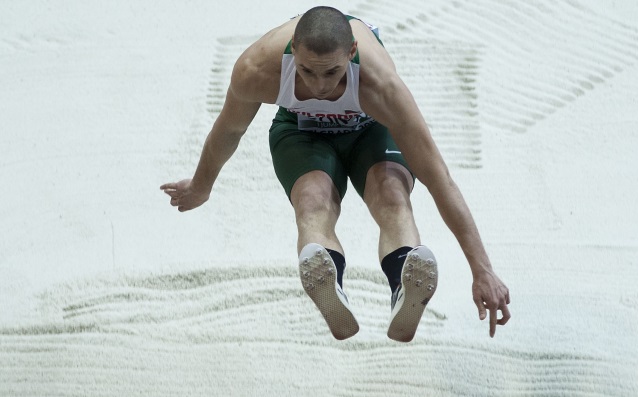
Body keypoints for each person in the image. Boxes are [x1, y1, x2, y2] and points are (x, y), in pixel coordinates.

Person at [161, 6, 511, 342]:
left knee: (391, 195)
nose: (320, 87)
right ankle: (329, 282)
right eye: (307, 71)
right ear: (292, 50)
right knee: (312, 203)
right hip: (301, 130)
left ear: (352, 53)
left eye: (332, 72)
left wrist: (482, 269)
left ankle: (405, 277)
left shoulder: (381, 85)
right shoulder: (257, 68)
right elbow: (228, 130)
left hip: (370, 129)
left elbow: (439, 178)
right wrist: (202, 184)